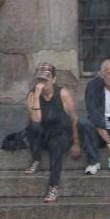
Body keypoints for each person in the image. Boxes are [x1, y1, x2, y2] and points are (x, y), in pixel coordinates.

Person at [24, 63, 81, 203]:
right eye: (40, 80)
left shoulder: (63, 93)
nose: (43, 83)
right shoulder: (32, 94)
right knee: (33, 128)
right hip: (44, 132)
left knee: (55, 147)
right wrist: (37, 96)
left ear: (54, 79)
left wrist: (76, 142)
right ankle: (36, 159)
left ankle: (53, 186)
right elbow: (35, 119)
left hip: (61, 133)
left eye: (46, 80)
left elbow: (75, 118)